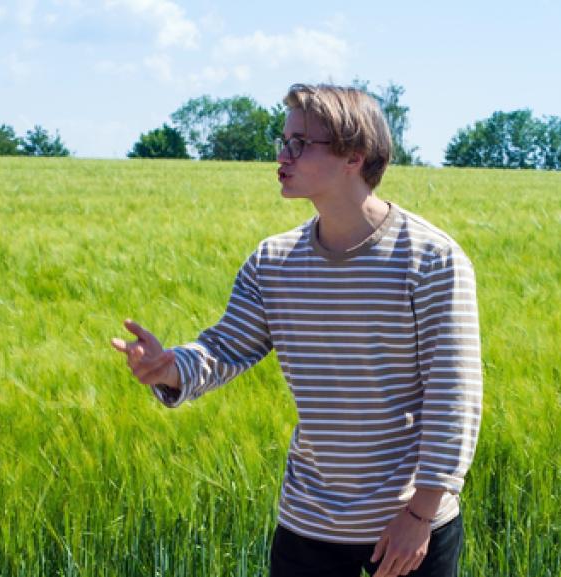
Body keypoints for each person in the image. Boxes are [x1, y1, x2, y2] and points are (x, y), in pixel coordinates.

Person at [111, 83, 482, 577]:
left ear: (354, 156)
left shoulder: (431, 259)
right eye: (283, 141)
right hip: (308, 525)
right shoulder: (273, 261)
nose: (282, 156)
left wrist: (420, 514)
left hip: (406, 526)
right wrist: (170, 369)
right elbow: (225, 348)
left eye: (300, 143)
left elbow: (454, 394)